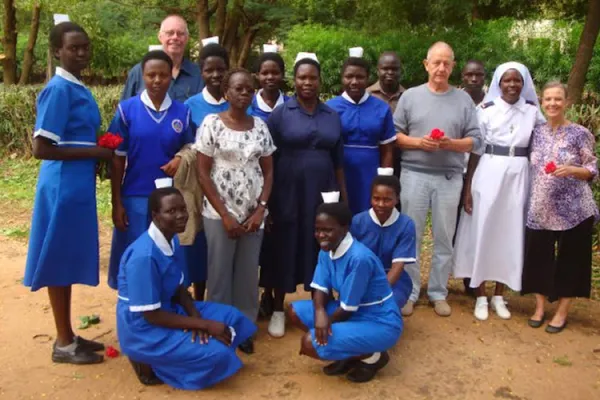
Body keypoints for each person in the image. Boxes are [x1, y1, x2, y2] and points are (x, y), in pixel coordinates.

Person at [24, 22, 114, 364]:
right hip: (61, 185)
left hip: (76, 186)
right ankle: (62, 343)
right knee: (59, 259)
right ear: (57, 51)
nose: (81, 53)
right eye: (74, 47)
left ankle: (68, 335)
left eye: (85, 47)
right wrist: (97, 152)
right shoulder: (59, 89)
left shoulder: (77, 87)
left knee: (66, 257)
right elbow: (41, 148)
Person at [116, 187, 256, 390]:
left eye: (182, 209)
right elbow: (151, 316)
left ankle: (183, 352)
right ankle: (149, 361)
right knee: (217, 355)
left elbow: (179, 288)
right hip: (145, 329)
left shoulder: (171, 238)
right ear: (155, 216)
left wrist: (197, 319)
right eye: (171, 211)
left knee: (233, 317)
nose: (181, 216)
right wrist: (204, 326)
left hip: (168, 310)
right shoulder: (143, 257)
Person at [259, 53, 348, 338]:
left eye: (312, 78)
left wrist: (342, 201)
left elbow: (338, 163)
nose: (307, 82)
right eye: (301, 77)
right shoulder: (281, 114)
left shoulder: (332, 115)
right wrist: (266, 203)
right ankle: (276, 309)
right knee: (281, 246)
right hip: (286, 191)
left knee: (318, 246)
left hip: (322, 193)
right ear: (294, 81)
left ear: (320, 81)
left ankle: (316, 307)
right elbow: (267, 160)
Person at [394, 42, 481, 317]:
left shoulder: (463, 100)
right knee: (412, 236)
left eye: (447, 63)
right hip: (414, 175)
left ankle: (438, 292)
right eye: (436, 62)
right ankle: (408, 291)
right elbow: (395, 136)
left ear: (453, 66)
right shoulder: (410, 97)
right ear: (426, 64)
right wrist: (419, 142)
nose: (441, 68)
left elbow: (476, 141)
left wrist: (450, 144)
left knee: (444, 237)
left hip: (449, 177)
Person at [453, 62, 546, 321]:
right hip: (489, 171)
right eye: (507, 80)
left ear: (524, 83)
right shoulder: (484, 110)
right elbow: (475, 150)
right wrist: (468, 188)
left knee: (510, 233)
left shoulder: (532, 112)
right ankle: (480, 294)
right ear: (498, 83)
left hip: (519, 175)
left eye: (517, 80)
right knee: (483, 230)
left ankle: (499, 294)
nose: (512, 85)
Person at [195, 69, 275, 354]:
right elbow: (203, 173)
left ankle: (243, 328)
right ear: (226, 91)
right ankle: (219, 327)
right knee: (218, 275)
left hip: (253, 214)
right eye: (238, 89)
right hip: (219, 215)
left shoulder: (261, 126)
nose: (244, 94)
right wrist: (225, 214)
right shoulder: (211, 124)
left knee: (246, 274)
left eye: (248, 89)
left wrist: (261, 210)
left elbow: (268, 172)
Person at [287, 193, 402, 383]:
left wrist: (324, 324)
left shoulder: (359, 259)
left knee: (310, 343)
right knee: (295, 312)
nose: (321, 235)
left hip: (380, 321)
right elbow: (320, 287)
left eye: (327, 230)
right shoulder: (327, 248)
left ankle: (372, 357)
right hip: (353, 312)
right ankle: (348, 353)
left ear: (344, 229)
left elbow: (347, 309)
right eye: (317, 230)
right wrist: (319, 311)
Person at [108, 50, 194, 290]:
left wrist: (180, 157)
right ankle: (135, 307)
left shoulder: (182, 112)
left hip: (171, 202)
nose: (157, 80)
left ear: (171, 77)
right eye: (151, 75)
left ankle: (168, 306)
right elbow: (116, 158)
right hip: (135, 196)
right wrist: (117, 202)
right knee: (137, 255)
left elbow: (192, 145)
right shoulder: (127, 110)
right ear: (142, 76)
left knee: (168, 255)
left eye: (163, 75)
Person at [522, 81, 599, 333]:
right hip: (540, 208)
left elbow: (591, 169)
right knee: (538, 260)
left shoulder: (580, 133)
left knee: (571, 261)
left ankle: (562, 312)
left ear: (567, 103)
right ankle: (540, 307)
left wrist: (574, 170)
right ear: (541, 102)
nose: (553, 104)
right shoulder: (536, 133)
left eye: (558, 99)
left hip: (574, 211)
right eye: (548, 99)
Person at [327, 51, 395, 215]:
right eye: (349, 76)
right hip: (340, 170)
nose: (354, 82)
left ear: (368, 79)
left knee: (369, 214)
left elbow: (387, 149)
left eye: (360, 77)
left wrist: (384, 181)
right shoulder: (330, 108)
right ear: (342, 78)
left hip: (370, 171)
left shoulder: (381, 108)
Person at [350, 168, 415, 310]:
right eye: (376, 198)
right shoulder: (358, 221)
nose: (380, 204)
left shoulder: (405, 224)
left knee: (387, 305)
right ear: (370, 198)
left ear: (397, 199)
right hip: (361, 277)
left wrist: (378, 294)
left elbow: (397, 266)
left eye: (387, 200)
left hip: (394, 280)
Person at [121, 15, 203, 102]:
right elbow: (124, 112)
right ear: (160, 37)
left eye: (180, 33)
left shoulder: (199, 74)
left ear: (187, 38)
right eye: (170, 33)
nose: (175, 37)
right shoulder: (138, 72)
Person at [457, 59, 486, 297]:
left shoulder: (492, 103)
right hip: (453, 170)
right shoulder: (454, 99)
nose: (474, 79)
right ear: (462, 76)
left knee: (474, 225)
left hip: (482, 173)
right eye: (469, 75)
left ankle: (471, 279)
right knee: (451, 227)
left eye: (478, 75)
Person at [367, 51, 405, 179]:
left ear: (400, 71)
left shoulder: (408, 96)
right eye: (385, 68)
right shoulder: (367, 95)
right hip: (374, 157)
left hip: (402, 159)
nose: (390, 72)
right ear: (378, 70)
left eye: (394, 69)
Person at [185, 43, 229, 130]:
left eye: (220, 70)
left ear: (227, 70)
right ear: (201, 73)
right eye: (209, 70)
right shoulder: (189, 106)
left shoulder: (240, 103)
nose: (215, 75)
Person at [248, 46, 289, 122]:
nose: (270, 77)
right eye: (265, 73)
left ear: (282, 74)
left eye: (275, 73)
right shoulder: (248, 104)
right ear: (257, 75)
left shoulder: (291, 105)